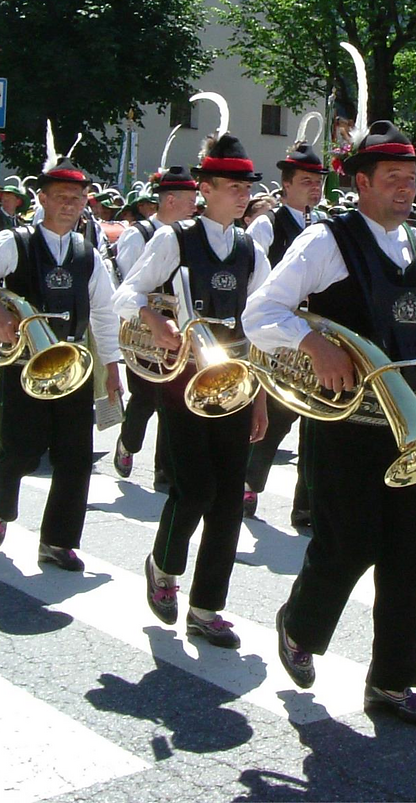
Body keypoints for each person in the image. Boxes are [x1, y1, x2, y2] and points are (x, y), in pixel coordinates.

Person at [244, 119, 416, 727]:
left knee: (411, 557)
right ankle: (299, 626)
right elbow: (260, 312)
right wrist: (311, 342)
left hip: (412, 426)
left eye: (411, 178)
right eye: (392, 177)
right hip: (345, 421)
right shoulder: (325, 241)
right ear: (362, 183)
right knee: (346, 545)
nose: (406, 188)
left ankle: (392, 684)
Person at [113, 126, 271, 649]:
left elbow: (261, 327)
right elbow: (126, 294)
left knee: (228, 501)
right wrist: (153, 320)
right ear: (206, 189)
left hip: (236, 381)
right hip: (183, 378)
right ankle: (163, 566)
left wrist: (260, 399)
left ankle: (207, 607)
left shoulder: (251, 248)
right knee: (196, 488)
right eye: (234, 187)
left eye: (247, 188)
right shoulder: (173, 238)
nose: (243, 196)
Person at [0, 156, 123, 571]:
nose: (69, 205)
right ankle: (3, 501)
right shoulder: (14, 242)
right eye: (61, 197)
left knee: (75, 458)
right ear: (43, 199)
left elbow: (105, 314)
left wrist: (111, 367)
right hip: (23, 365)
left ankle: (58, 542)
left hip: (73, 367)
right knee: (21, 451)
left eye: (77, 198)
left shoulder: (88, 253)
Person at [244, 139, 329, 525]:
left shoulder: (324, 225)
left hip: (316, 334)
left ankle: (306, 505)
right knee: (278, 414)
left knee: (316, 420)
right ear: (287, 185)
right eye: (307, 181)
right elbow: (253, 277)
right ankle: (249, 482)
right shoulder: (267, 224)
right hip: (279, 332)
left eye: (318, 181)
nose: (315, 188)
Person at [112, 166, 197, 491]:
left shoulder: (190, 235)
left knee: (174, 398)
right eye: (190, 199)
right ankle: (128, 442)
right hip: (143, 330)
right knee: (145, 397)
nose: (195, 205)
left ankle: (165, 468)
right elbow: (130, 283)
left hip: (178, 329)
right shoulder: (139, 233)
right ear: (170, 200)